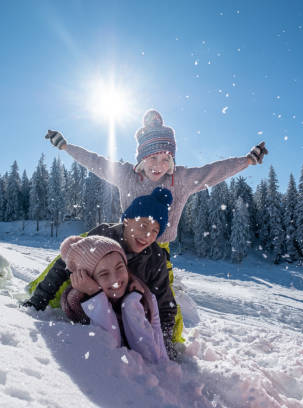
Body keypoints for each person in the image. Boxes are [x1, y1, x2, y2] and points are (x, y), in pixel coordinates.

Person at [45, 109, 268, 343]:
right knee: (73, 256)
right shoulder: (126, 175)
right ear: (142, 158)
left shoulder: (179, 179)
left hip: (158, 249)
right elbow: (96, 162)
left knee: (161, 298)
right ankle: (46, 301)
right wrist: (66, 147)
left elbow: (212, 172)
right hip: (119, 241)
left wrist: (247, 160)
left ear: (172, 160)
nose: (158, 165)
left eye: (165, 159)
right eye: (152, 158)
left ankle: (169, 342)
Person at [23, 187, 179, 358]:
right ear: (127, 220)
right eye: (143, 225)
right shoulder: (105, 235)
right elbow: (63, 266)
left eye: (155, 231)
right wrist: (37, 301)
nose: (147, 235)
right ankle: (94, 334)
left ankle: (124, 339)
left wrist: (164, 344)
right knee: (73, 295)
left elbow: (165, 304)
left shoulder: (155, 257)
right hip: (94, 302)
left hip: (127, 313)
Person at [58, 234, 167, 364]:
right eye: (103, 274)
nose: (115, 280)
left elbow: (154, 357)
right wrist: (96, 296)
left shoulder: (144, 296)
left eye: (119, 267)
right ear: (90, 279)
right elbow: (110, 348)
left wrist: (131, 305)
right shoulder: (79, 305)